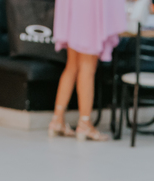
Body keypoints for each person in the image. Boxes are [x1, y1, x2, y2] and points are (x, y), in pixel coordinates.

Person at [51, 0, 127, 140]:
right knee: (87, 67)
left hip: (73, 9)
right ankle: (84, 123)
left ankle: (57, 120)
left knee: (72, 66)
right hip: (89, 11)